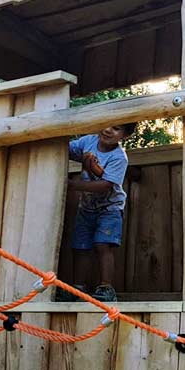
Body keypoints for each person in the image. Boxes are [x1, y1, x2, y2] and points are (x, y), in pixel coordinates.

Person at [61, 123, 136, 302]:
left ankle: (106, 288)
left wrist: (73, 185)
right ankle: (78, 289)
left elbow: (105, 186)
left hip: (110, 208)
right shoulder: (88, 141)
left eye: (116, 128)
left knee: (104, 245)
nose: (108, 130)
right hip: (86, 207)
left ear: (125, 135)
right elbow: (65, 149)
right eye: (107, 124)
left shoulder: (119, 157)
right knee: (80, 247)